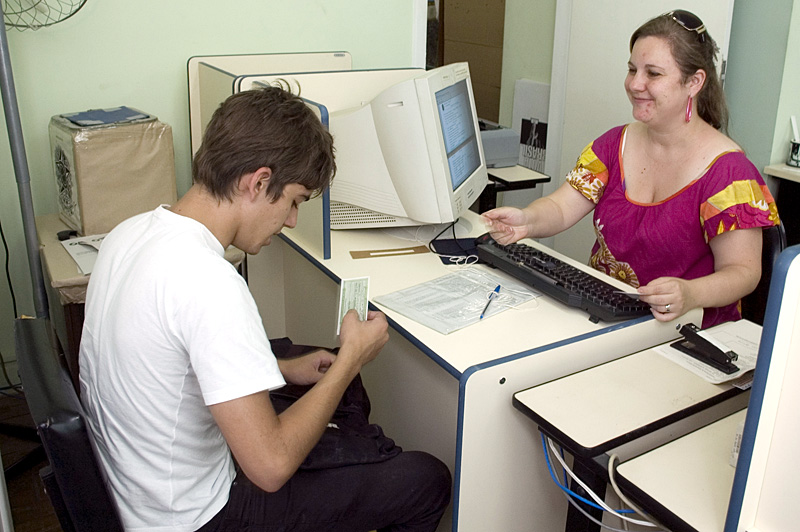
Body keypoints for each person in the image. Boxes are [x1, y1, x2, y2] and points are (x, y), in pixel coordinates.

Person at [79, 85, 451, 532]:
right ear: (257, 182)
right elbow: (271, 469)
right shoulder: (209, 282)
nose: (292, 219)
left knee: (324, 379)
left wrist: (282, 369)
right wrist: (351, 359)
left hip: (136, 488)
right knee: (426, 479)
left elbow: (166, 358)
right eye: (293, 200)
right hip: (197, 518)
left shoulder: (130, 233)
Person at [483, 10, 780, 329]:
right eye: (632, 69)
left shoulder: (730, 174)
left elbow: (744, 272)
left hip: (685, 333)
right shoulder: (613, 145)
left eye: (653, 73)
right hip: (605, 318)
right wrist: (527, 220)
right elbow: (560, 207)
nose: (635, 84)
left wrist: (690, 293)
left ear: (694, 82)